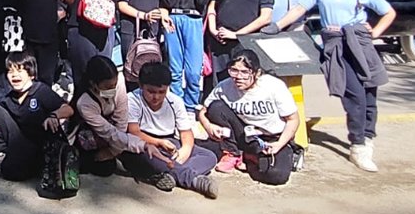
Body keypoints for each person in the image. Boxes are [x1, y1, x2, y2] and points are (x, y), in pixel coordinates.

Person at [270, 0, 395, 172]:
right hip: (336, 44)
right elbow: (299, 9)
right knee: (354, 95)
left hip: (360, 43)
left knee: (369, 94)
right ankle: (357, 145)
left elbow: (388, 12)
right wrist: (277, 25)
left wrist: (375, 33)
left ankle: (368, 139)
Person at [196, 49, 299, 185]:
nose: (238, 77)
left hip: (273, 138)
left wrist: (279, 144)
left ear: (257, 73)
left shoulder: (273, 86)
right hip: (245, 134)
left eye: (245, 72)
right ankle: (234, 153)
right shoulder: (225, 86)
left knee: (276, 176)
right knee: (216, 107)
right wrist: (208, 126)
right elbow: (203, 110)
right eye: (233, 70)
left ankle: (250, 157)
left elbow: (293, 119)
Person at [126, 62, 219, 198]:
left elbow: (186, 132)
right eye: (151, 91)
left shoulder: (175, 101)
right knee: (145, 156)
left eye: (161, 92)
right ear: (141, 86)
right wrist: (158, 142)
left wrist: (185, 150)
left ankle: (169, 174)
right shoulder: (132, 100)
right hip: (145, 143)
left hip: (170, 143)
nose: (156, 97)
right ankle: (193, 180)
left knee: (209, 156)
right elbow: (133, 131)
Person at [0, 52, 74, 182]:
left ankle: (36, 166)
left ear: (31, 74)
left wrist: (54, 116)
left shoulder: (41, 91)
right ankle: (1, 151)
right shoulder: (9, 97)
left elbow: (68, 110)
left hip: (42, 143)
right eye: (10, 71)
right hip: (20, 141)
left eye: (19, 70)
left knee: (13, 171)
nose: (14, 75)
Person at [73, 55, 150, 179]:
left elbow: (122, 118)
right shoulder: (84, 103)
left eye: (114, 85)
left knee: (136, 154)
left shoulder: (119, 81)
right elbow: (109, 132)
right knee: (106, 167)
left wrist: (114, 151)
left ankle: (152, 173)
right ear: (94, 84)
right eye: (107, 87)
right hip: (91, 136)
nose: (113, 89)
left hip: (115, 133)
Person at [159, 0, 212, 113]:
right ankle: (176, 105)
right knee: (174, 68)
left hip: (193, 19)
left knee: (193, 70)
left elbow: (202, 1)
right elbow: (167, 1)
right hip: (173, 18)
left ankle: (190, 106)